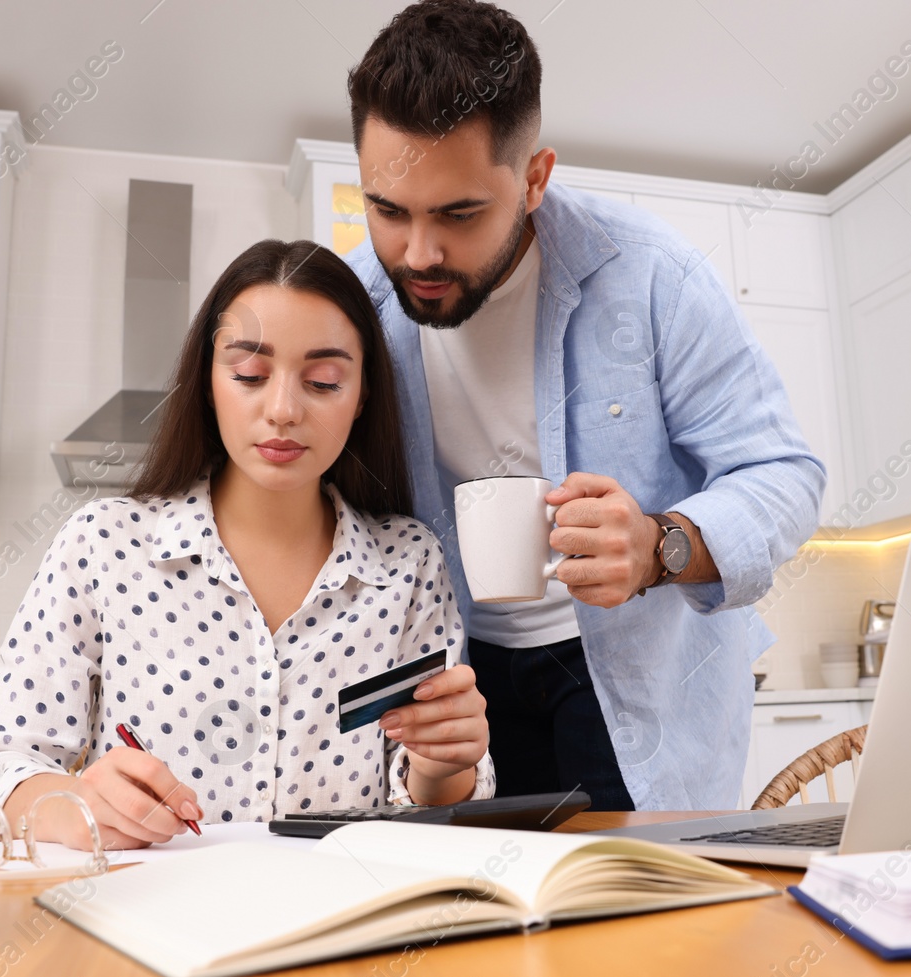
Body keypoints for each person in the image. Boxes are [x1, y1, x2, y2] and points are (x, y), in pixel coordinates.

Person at [341, 1, 826, 811]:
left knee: (644, 916)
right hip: (460, 673)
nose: (417, 254)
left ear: (534, 178)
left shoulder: (653, 276)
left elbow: (784, 474)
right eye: (388, 211)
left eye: (458, 214)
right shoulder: (356, 302)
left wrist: (658, 544)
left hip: (634, 669)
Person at [0, 239, 495, 849]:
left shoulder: (409, 562)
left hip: (342, 928)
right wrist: (77, 803)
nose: (284, 410)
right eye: (248, 375)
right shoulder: (102, 545)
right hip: (156, 929)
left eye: (323, 381)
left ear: (362, 395)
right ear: (208, 383)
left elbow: (434, 810)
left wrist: (442, 764)